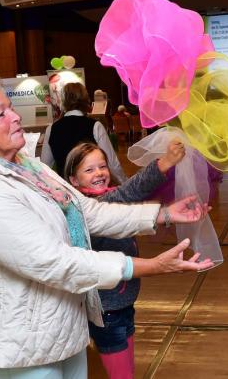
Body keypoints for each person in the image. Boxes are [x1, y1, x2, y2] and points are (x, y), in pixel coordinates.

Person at [0, 75, 215, 378]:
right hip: (23, 350)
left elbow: (86, 212)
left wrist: (164, 214)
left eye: (10, 107)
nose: (15, 117)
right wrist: (150, 266)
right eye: (1, 113)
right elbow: (55, 262)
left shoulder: (30, 167)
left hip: (63, 332)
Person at [63, 140, 185, 379]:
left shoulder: (108, 197)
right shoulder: (91, 206)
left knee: (125, 367)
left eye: (102, 166)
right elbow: (131, 190)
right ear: (73, 180)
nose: (99, 173)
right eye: (89, 170)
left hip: (122, 303)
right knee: (122, 374)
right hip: (108, 309)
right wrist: (166, 162)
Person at [41, 82, 128, 183]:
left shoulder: (51, 129)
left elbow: (44, 167)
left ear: (63, 101)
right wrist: (125, 184)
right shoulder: (95, 126)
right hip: (92, 188)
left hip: (67, 190)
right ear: (85, 100)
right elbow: (112, 163)